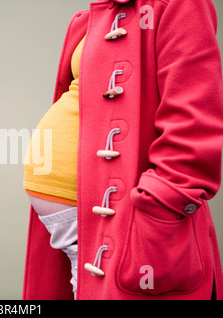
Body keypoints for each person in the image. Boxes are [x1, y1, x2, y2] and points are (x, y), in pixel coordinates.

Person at [23, 0, 223, 300]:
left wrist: (156, 213)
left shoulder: (182, 3)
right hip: (79, 227)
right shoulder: (97, 15)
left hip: (125, 223)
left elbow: (194, 122)